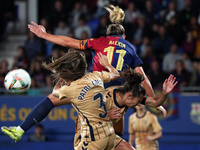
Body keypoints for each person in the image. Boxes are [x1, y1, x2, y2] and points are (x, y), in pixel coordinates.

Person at [27, 4, 167, 117]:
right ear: (123, 36)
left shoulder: (99, 41)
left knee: (52, 100)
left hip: (94, 90)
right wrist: (154, 100)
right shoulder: (130, 47)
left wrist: (44, 35)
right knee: (115, 136)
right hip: (118, 96)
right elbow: (143, 78)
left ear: (107, 35)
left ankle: (21, 129)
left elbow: (68, 42)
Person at [2, 51, 119, 150]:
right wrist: (107, 64)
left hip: (95, 138)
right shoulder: (96, 75)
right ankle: (20, 129)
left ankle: (20, 129)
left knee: (51, 100)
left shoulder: (72, 90)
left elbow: (55, 93)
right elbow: (115, 74)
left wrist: (60, 82)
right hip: (109, 134)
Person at [75, 70, 177, 150]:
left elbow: (155, 102)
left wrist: (165, 93)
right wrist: (105, 116)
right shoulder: (105, 98)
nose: (139, 104)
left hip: (106, 134)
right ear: (129, 97)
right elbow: (84, 115)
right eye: (138, 102)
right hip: (88, 138)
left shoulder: (130, 94)